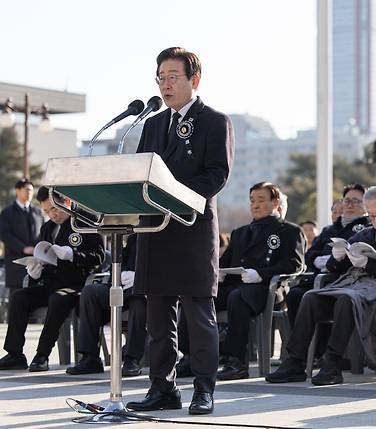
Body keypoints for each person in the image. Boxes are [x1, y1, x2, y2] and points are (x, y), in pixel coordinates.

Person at [126, 47, 234, 416]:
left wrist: (178, 198)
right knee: (158, 319)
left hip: (191, 229)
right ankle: (162, 388)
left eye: (173, 77)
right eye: (161, 77)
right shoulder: (153, 123)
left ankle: (204, 389)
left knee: (199, 317)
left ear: (194, 80)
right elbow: (142, 171)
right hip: (155, 229)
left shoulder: (215, 121)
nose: (166, 84)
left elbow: (217, 173)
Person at [266, 185, 376, 385]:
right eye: (371, 216)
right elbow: (335, 270)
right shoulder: (364, 234)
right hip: (351, 287)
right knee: (311, 297)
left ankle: (333, 363)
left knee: (347, 299)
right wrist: (337, 258)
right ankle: (295, 361)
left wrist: (369, 264)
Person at [0, 187, 104, 372]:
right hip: (50, 283)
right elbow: (43, 254)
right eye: (46, 211)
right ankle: (15, 354)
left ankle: (42, 355)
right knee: (19, 297)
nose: (52, 215)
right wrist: (35, 270)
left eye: (54, 209)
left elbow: (98, 256)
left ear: (67, 202)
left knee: (58, 299)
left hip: (76, 285)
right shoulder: (48, 227)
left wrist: (73, 254)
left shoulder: (85, 222)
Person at [215, 182, 305, 380]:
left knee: (238, 298)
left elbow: (295, 264)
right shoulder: (240, 233)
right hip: (236, 285)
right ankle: (191, 356)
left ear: (275, 202)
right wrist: (219, 272)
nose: (255, 205)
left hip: (265, 289)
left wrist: (261, 274)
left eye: (261, 200)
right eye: (252, 201)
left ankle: (237, 361)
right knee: (198, 295)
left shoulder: (289, 231)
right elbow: (225, 262)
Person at [286, 184, 370, 327]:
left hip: (345, 284)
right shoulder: (329, 230)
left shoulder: (368, 229)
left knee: (316, 301)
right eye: (347, 200)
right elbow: (310, 254)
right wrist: (318, 260)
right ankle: (299, 347)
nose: (350, 205)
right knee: (294, 295)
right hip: (319, 281)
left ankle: (319, 347)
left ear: (366, 205)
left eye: (356, 201)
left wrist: (331, 261)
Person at [65, 235, 146, 377]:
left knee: (138, 301)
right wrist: (120, 272)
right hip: (122, 285)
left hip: (145, 289)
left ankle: (131, 359)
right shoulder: (135, 235)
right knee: (91, 292)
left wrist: (141, 276)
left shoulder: (162, 234)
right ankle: (90, 358)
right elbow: (122, 259)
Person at [0, 179, 44, 292]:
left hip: (36, 262)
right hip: (16, 262)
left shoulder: (38, 212)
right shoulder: (8, 212)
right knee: (16, 295)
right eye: (27, 190)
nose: (29, 193)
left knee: (35, 294)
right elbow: (4, 234)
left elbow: (43, 232)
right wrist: (23, 248)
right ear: (17, 191)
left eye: (31, 190)